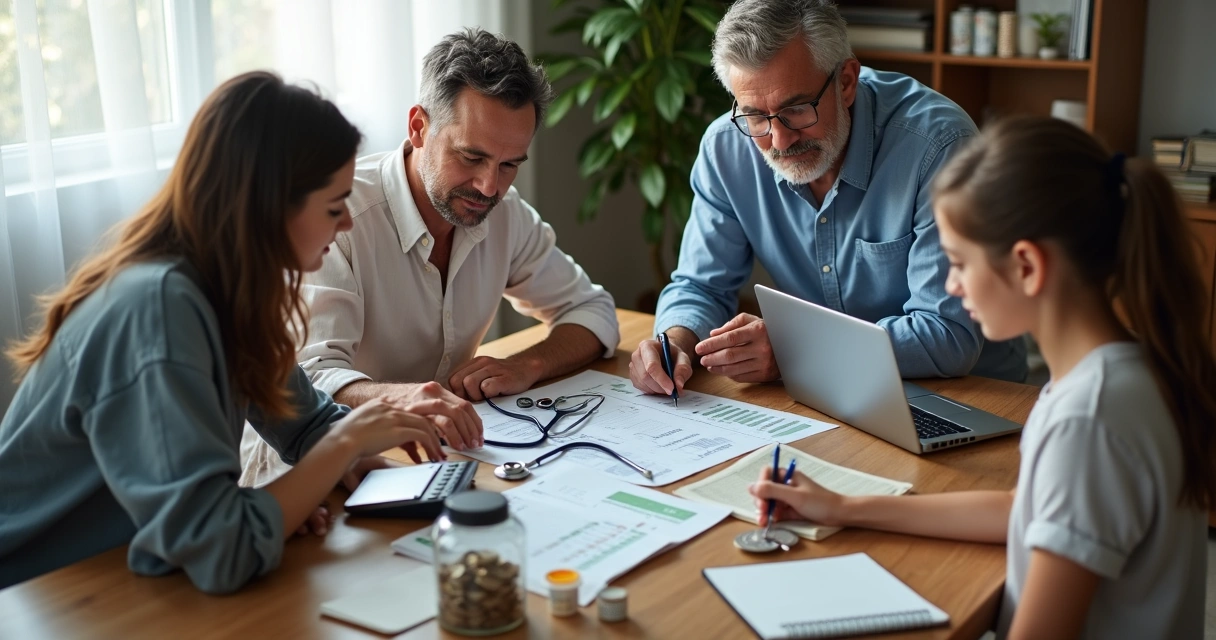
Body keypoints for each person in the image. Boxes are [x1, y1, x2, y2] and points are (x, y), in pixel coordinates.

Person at [749, 117, 1216, 638]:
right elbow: (1025, 511)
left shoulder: (1089, 419)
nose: (949, 284)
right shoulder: (1120, 373)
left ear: (1026, 267)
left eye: (958, 262)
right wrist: (844, 507)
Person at [0, 72, 447, 593]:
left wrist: (369, 476)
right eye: (333, 206)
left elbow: (306, 425)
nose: (346, 223)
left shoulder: (231, 294)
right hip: (35, 595)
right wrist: (341, 447)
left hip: (121, 576)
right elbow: (221, 547)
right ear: (268, 206)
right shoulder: (158, 310)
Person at [240, 29, 619, 486]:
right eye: (471, 157)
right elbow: (308, 378)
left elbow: (594, 311)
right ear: (419, 127)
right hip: (305, 473)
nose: (489, 187)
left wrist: (527, 364)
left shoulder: (504, 212)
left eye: (509, 164)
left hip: (429, 464)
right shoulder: (338, 220)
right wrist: (402, 399)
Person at [629, 0, 1027, 399]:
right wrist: (673, 344)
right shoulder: (726, 149)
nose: (779, 140)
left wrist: (795, 350)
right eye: (755, 116)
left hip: (968, 395)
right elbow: (701, 286)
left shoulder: (937, 146)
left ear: (846, 82)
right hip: (825, 394)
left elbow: (947, 335)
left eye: (796, 109)